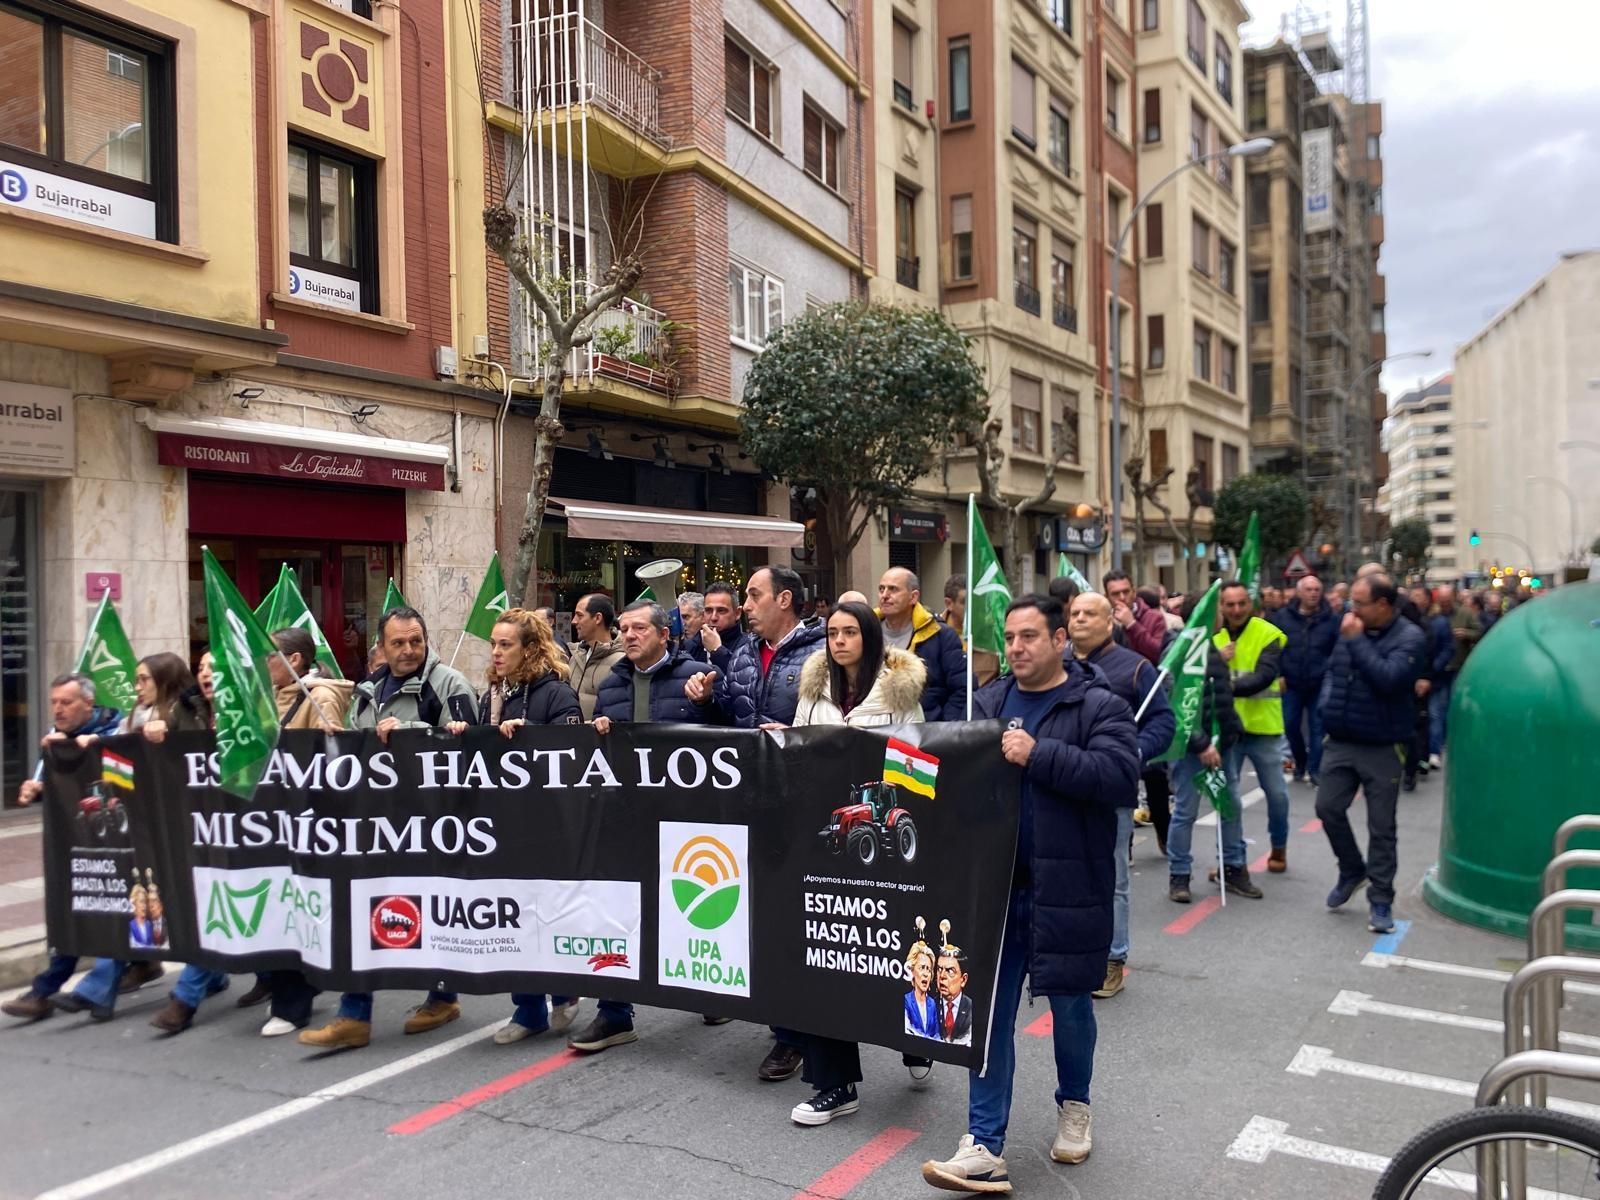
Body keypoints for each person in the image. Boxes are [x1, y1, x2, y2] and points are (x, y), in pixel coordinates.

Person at [921, 595, 1138, 1192]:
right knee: (986, 1016)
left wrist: (1039, 755)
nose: (1016, 647)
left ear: (1060, 639)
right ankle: (984, 1143)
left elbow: (1119, 777)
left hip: (1066, 889)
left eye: (1029, 637)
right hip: (994, 892)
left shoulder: (1098, 705)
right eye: (1010, 638)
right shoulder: (986, 704)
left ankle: (1075, 1106)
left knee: (1070, 1008)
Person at [300, 605, 475, 1051]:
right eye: (398, 642)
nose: (409, 650)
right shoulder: (367, 689)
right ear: (381, 645)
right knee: (363, 911)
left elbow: (472, 745)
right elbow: (362, 749)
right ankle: (353, 1014)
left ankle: (443, 995)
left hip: (437, 825)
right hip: (380, 824)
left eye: (416, 640)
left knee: (435, 910)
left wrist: (410, 731)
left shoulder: (449, 683)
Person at [787, 600, 932, 1125]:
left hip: (886, 841)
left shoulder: (898, 690)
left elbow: (916, 758)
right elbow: (799, 746)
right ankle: (835, 1084)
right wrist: (778, 742)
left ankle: (913, 1038)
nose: (839, 640)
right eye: (832, 632)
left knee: (887, 950)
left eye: (850, 632)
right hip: (825, 841)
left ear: (869, 636)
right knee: (827, 953)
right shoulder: (812, 689)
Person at [692, 565, 822, 1083]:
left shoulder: (818, 654)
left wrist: (795, 734)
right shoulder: (744, 652)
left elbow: (840, 721)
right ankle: (785, 1017)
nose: (744, 605)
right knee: (762, 917)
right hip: (752, 803)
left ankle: (793, 1036)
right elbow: (733, 711)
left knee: (794, 918)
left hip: (802, 803)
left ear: (783, 600)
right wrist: (708, 693)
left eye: (752, 595)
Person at [583, 600, 723, 1054]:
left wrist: (710, 703)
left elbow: (727, 735)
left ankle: (709, 992)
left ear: (665, 634)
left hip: (689, 819)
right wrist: (597, 730)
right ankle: (614, 1013)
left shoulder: (698, 676)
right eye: (623, 628)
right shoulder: (611, 685)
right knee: (617, 909)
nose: (629, 635)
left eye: (639, 627)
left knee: (695, 909)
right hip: (627, 817)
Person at [445, 608, 583, 1045]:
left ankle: (564, 990)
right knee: (514, 917)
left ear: (531, 649)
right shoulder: (493, 695)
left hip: (549, 826)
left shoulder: (557, 693)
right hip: (503, 824)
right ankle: (527, 1010)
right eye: (494, 643)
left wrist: (533, 734)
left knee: (548, 913)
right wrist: (468, 736)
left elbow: (575, 754)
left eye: (506, 644)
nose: (497, 652)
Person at [59, 655, 210, 1020]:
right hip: (149, 826)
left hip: (192, 828)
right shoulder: (140, 716)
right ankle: (99, 987)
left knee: (195, 909)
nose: (137, 686)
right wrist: (89, 744)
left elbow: (198, 754)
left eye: (143, 679)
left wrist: (167, 736)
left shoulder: (185, 712)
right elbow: (122, 758)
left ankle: (202, 979)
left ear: (163, 680)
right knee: (135, 901)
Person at [1, 674, 132, 1023]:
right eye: (54, 701)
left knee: (114, 907)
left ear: (88, 704)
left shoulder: (117, 729)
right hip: (78, 843)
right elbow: (47, 780)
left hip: (121, 839)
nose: (58, 709)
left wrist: (91, 748)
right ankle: (46, 990)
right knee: (76, 910)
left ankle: (92, 990)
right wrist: (34, 786)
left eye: (66, 702)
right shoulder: (55, 738)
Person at [1067, 593, 1175, 998]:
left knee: (1111, 878)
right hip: (1059, 787)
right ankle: (1068, 953)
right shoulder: (1053, 664)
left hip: (1110, 790)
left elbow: (1164, 721)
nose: (1079, 619)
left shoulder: (1135, 669)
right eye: (1074, 612)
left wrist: (1136, 750)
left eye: (1089, 613)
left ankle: (1113, 959)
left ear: (1110, 620)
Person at [1315, 574, 1426, 935]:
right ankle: (1351, 869)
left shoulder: (1409, 637)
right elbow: (1334, 671)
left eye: (1359, 603)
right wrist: (1326, 708)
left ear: (1382, 605)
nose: (1352, 610)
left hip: (1382, 744)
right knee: (1327, 808)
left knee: (1381, 827)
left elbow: (1389, 679)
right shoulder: (1351, 630)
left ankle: (1381, 898)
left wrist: (1357, 640)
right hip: (1342, 738)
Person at [1165, 596, 1249, 904]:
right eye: (1217, 610)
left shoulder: (1212, 645)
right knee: (1186, 811)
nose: (1223, 615)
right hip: (1194, 749)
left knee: (1230, 805)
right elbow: (1177, 705)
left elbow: (1217, 695)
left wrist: (1231, 729)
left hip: (1223, 743)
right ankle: (1179, 875)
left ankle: (1234, 866)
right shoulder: (1182, 649)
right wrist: (1200, 743)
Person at [1214, 581, 1293, 878]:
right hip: (1228, 730)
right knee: (1228, 796)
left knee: (1277, 794)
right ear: (1221, 607)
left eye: (1241, 603)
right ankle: (1232, 860)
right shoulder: (1215, 638)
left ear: (1251, 604)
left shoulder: (1267, 633)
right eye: (1229, 604)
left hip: (1263, 729)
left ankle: (1279, 846)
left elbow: (1264, 676)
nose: (1236, 609)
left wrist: (1224, 685)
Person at [876, 567, 968, 720]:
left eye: (893, 589)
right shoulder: (864, 633)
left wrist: (941, 729)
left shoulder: (941, 635)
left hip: (924, 734)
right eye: (881, 589)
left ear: (913, 597)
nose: (885, 595)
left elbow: (962, 689)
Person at [1272, 575, 1338, 787]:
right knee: (1290, 725)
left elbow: (1337, 650)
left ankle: (1314, 768)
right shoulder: (1283, 617)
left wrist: (1329, 672)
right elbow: (1274, 649)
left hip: (1319, 682)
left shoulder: (1331, 619)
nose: (1313, 593)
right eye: (1308, 589)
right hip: (1291, 682)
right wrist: (1278, 674)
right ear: (1299, 592)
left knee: (1318, 727)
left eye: (1317, 589)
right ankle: (1300, 762)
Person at [1428, 586, 1479, 770]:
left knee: (1452, 706)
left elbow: (1479, 631)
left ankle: (1449, 739)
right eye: (1441, 601)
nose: (1444, 604)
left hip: (1458, 666)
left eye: (1447, 601)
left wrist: (1466, 634)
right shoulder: (1432, 617)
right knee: (1437, 710)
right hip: (1439, 670)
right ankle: (1436, 747)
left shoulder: (1465, 614)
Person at [568, 593, 625, 720]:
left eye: (579, 615)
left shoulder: (622, 662)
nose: (574, 621)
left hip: (601, 738)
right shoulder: (575, 657)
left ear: (598, 618)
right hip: (571, 737)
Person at [1103, 571, 1166, 665]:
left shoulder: (1154, 617)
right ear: (1107, 597)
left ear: (1134, 592)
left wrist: (1132, 624)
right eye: (1115, 594)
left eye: (1126, 592)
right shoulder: (1102, 620)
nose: (1122, 597)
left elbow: (1159, 653)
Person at [686, 582, 748, 673]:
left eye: (721, 611)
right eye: (709, 611)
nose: (713, 617)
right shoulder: (689, 647)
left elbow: (743, 678)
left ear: (737, 613)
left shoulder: (749, 646)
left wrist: (717, 651)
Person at [941, 574, 968, 642]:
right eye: (964, 602)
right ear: (949, 604)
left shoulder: (987, 633)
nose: (970, 608)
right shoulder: (933, 633)